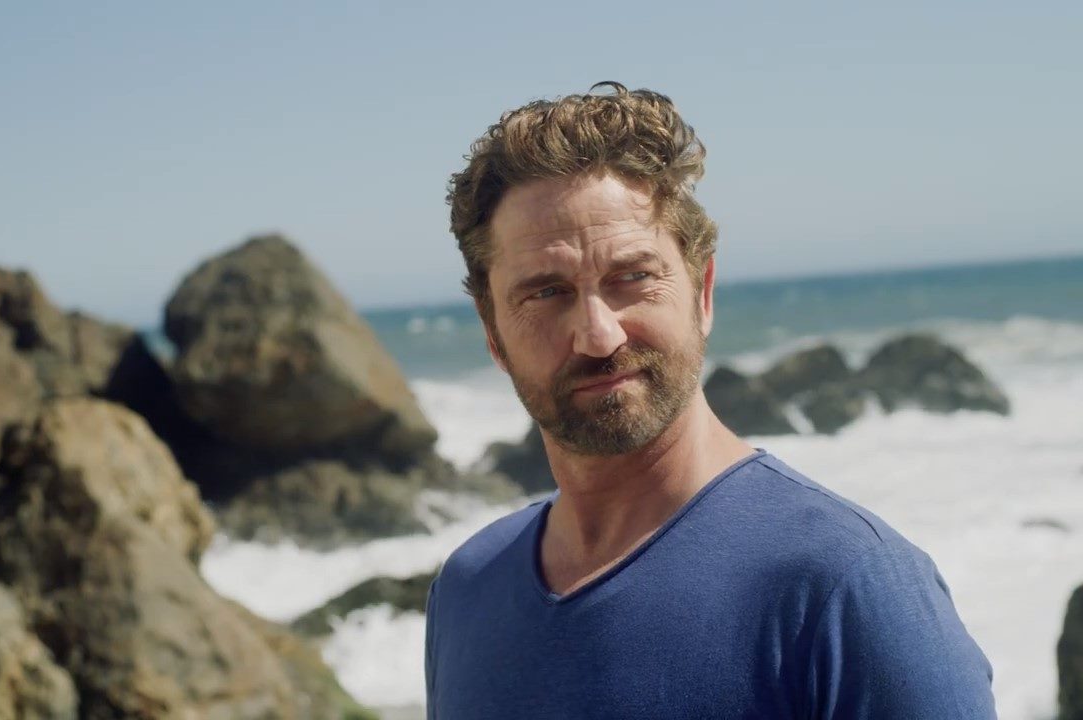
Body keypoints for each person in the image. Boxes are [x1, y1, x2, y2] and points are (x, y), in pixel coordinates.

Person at [425, 82, 995, 719]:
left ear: (702, 293)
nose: (598, 335)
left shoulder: (848, 588)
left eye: (632, 277)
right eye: (546, 293)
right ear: (492, 332)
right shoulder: (468, 590)